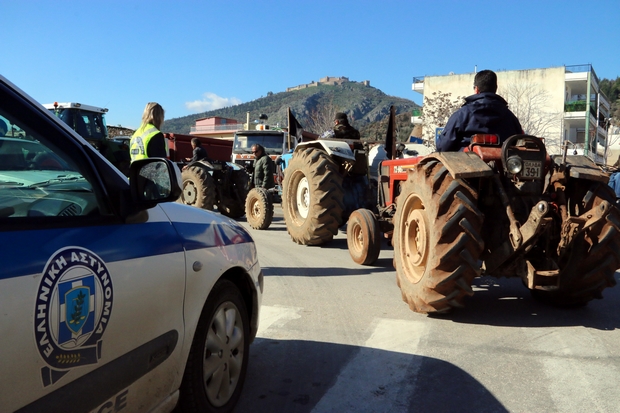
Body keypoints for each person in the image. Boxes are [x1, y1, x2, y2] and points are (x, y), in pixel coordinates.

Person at [437, 70, 523, 152]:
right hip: (503, 164)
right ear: (495, 89)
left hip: (464, 163)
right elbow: (520, 142)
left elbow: (443, 146)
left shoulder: (461, 115)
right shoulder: (510, 117)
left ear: (476, 89)